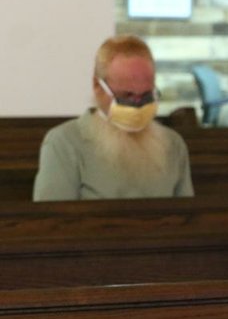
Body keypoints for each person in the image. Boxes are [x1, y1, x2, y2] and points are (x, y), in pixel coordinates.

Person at [33, 35, 194, 201]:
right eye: (127, 95)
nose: (137, 105)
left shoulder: (173, 145)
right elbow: (51, 222)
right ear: (97, 86)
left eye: (146, 95)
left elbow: (189, 219)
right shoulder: (64, 143)